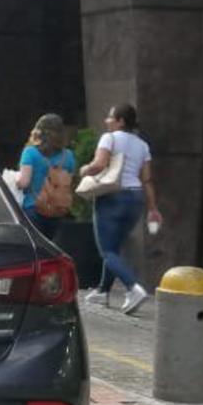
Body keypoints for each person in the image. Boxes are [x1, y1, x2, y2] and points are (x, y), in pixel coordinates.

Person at [80, 103, 162, 314]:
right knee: (114, 248)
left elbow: (98, 165)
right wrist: (153, 208)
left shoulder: (110, 138)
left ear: (121, 122)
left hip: (112, 196)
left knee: (106, 250)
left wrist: (84, 170)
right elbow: (147, 180)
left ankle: (133, 288)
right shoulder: (142, 145)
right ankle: (102, 292)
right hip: (135, 199)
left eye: (110, 117)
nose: (107, 121)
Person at [15, 113, 76, 241]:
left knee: (37, 251)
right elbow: (70, 183)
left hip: (33, 209)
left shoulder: (30, 152)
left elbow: (24, 182)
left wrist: (14, 180)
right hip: (58, 211)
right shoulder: (69, 155)